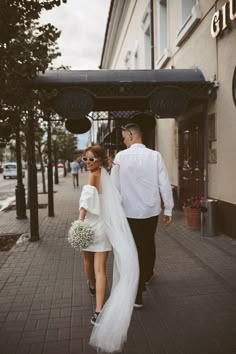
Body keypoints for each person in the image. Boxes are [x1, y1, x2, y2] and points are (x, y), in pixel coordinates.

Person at [78, 145, 139, 353]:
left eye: (91, 159)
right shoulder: (106, 174)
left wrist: (79, 222)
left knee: (88, 262)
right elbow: (115, 201)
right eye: (85, 159)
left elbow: (85, 203)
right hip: (104, 227)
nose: (87, 163)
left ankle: (93, 288)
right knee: (101, 267)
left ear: (99, 160)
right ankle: (98, 310)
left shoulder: (93, 176)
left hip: (90, 226)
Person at [111, 123, 174, 308]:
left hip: (129, 212)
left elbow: (115, 188)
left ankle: (137, 293)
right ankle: (146, 275)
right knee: (147, 242)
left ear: (131, 135)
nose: (123, 141)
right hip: (150, 210)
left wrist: (115, 211)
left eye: (124, 137)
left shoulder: (120, 157)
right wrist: (168, 209)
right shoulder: (155, 156)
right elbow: (164, 183)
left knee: (134, 248)